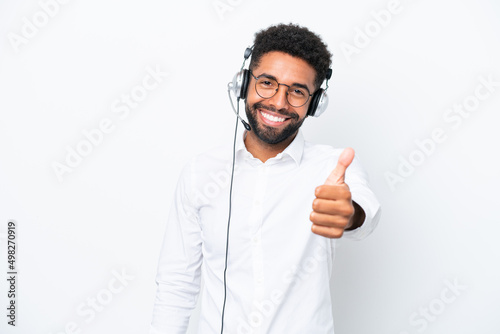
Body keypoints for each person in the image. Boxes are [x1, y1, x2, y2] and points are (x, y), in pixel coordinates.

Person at [150, 23, 381, 334]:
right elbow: (176, 284)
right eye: (267, 83)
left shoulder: (334, 167)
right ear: (243, 83)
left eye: (297, 91)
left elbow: (363, 214)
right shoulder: (200, 172)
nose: (279, 102)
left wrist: (348, 214)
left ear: (314, 103)